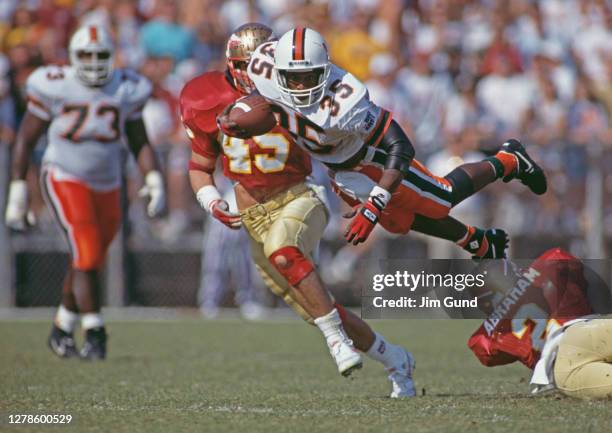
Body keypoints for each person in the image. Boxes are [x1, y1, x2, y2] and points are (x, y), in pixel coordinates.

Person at [181, 23, 415, 397]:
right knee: (321, 309)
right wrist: (211, 200)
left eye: (258, 63)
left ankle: (336, 343)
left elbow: (343, 136)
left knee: (285, 250)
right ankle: (395, 358)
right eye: (242, 65)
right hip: (252, 216)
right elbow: (199, 164)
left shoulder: (294, 87)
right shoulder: (203, 96)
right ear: (230, 64)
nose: (251, 73)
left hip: (301, 197)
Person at [225, 27, 548, 258]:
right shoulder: (262, 67)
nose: (299, 86)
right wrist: (233, 116)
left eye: (309, 77)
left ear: (325, 72)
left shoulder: (348, 100)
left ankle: (509, 160)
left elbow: (401, 147)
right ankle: (475, 240)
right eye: (291, 77)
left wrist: (374, 203)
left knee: (440, 199)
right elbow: (246, 74)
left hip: (370, 155)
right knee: (396, 221)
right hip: (338, 163)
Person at [4, 25, 166, 360]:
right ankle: (94, 330)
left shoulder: (126, 87)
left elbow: (139, 139)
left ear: (112, 57)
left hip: (109, 181)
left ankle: (62, 327)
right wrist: (18, 188)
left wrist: (154, 178)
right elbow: (26, 139)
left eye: (100, 55)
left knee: (88, 259)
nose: (93, 63)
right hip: (64, 174)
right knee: (87, 251)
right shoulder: (55, 83)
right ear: (73, 58)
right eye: (87, 55)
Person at [468, 249, 612, 399]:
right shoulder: (546, 267)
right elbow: (570, 264)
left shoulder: (490, 334)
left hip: (561, 368)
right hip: (589, 331)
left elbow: (485, 354)